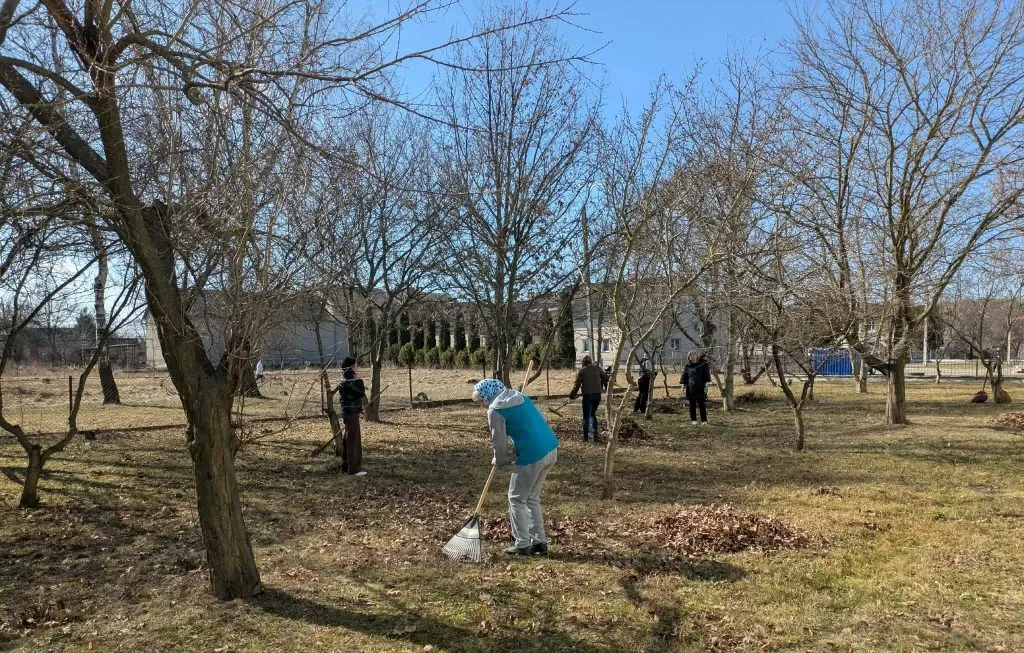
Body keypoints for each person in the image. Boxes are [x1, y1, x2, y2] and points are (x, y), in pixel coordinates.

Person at [473, 378, 559, 557]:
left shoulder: (495, 410)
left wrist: (500, 460)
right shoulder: (519, 396)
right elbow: (542, 419)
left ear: (488, 395)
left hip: (533, 454)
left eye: (481, 400)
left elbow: (499, 442)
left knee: (516, 498)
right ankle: (539, 543)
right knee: (532, 497)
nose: (481, 405)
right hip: (551, 448)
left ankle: (522, 545)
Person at [337, 357, 367, 476]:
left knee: (349, 437)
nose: (357, 368)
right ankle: (354, 468)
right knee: (353, 439)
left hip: (351, 412)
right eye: (355, 366)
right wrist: (358, 378)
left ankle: (346, 465)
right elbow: (361, 392)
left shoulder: (348, 379)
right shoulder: (347, 381)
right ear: (350, 367)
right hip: (351, 412)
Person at [569, 355, 609, 442]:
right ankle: (595, 436)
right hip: (597, 395)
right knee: (592, 414)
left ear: (583, 362)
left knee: (586, 417)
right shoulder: (597, 368)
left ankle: (585, 438)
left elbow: (577, 385)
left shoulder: (581, 370)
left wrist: (572, 395)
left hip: (588, 396)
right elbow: (607, 378)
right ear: (591, 362)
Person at [681, 351, 711, 425]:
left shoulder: (701, 365)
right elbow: (684, 377)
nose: (692, 356)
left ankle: (704, 420)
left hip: (700, 388)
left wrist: (706, 386)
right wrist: (683, 386)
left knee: (702, 405)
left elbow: (706, 375)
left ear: (696, 356)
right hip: (690, 388)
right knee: (692, 405)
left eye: (694, 355)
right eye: (690, 355)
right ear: (689, 358)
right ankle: (693, 420)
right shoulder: (687, 366)